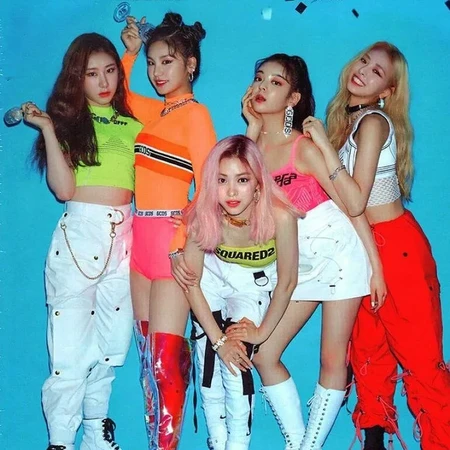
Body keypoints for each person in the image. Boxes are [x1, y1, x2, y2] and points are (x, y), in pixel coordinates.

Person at [303, 41, 450, 450]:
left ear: (387, 90)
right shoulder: (346, 124)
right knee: (368, 355)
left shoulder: (373, 122)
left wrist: (324, 147)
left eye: (377, 72)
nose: (364, 71)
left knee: (421, 359)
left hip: (398, 248)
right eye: (364, 61)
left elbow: (355, 201)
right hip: (363, 250)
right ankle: (373, 442)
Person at [236, 53, 386, 450]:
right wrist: (252, 127)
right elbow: (240, 195)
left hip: (339, 254)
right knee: (264, 354)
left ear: (293, 99)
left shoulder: (302, 148)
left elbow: (350, 208)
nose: (263, 86)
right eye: (260, 78)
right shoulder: (250, 149)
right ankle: (299, 443)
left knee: (332, 359)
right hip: (295, 263)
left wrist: (375, 265)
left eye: (277, 82)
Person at [24, 33, 143, 450]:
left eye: (110, 71)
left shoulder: (133, 125)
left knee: (112, 346)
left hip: (126, 238)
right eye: (92, 74)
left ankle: (95, 433)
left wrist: (130, 54)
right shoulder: (69, 124)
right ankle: (60, 441)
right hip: (79, 236)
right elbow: (63, 189)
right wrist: (47, 129)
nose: (103, 81)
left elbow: (125, 89)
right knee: (69, 352)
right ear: (78, 79)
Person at [120, 12, 216, 449]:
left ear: (190, 65)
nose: (157, 72)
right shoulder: (155, 112)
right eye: (152, 63)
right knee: (146, 362)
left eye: (167, 61)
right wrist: (129, 53)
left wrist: (180, 241)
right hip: (138, 240)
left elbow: (210, 186)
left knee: (165, 362)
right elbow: (119, 96)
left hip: (168, 244)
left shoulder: (196, 115)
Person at [170, 134, 301, 450]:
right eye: (222, 180)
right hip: (211, 279)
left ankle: (238, 443)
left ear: (258, 183)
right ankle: (217, 440)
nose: (231, 191)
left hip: (253, 284)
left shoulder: (280, 216)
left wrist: (261, 333)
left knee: (236, 359)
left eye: (242, 180)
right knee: (208, 358)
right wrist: (218, 340)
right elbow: (193, 283)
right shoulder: (204, 215)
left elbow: (287, 282)